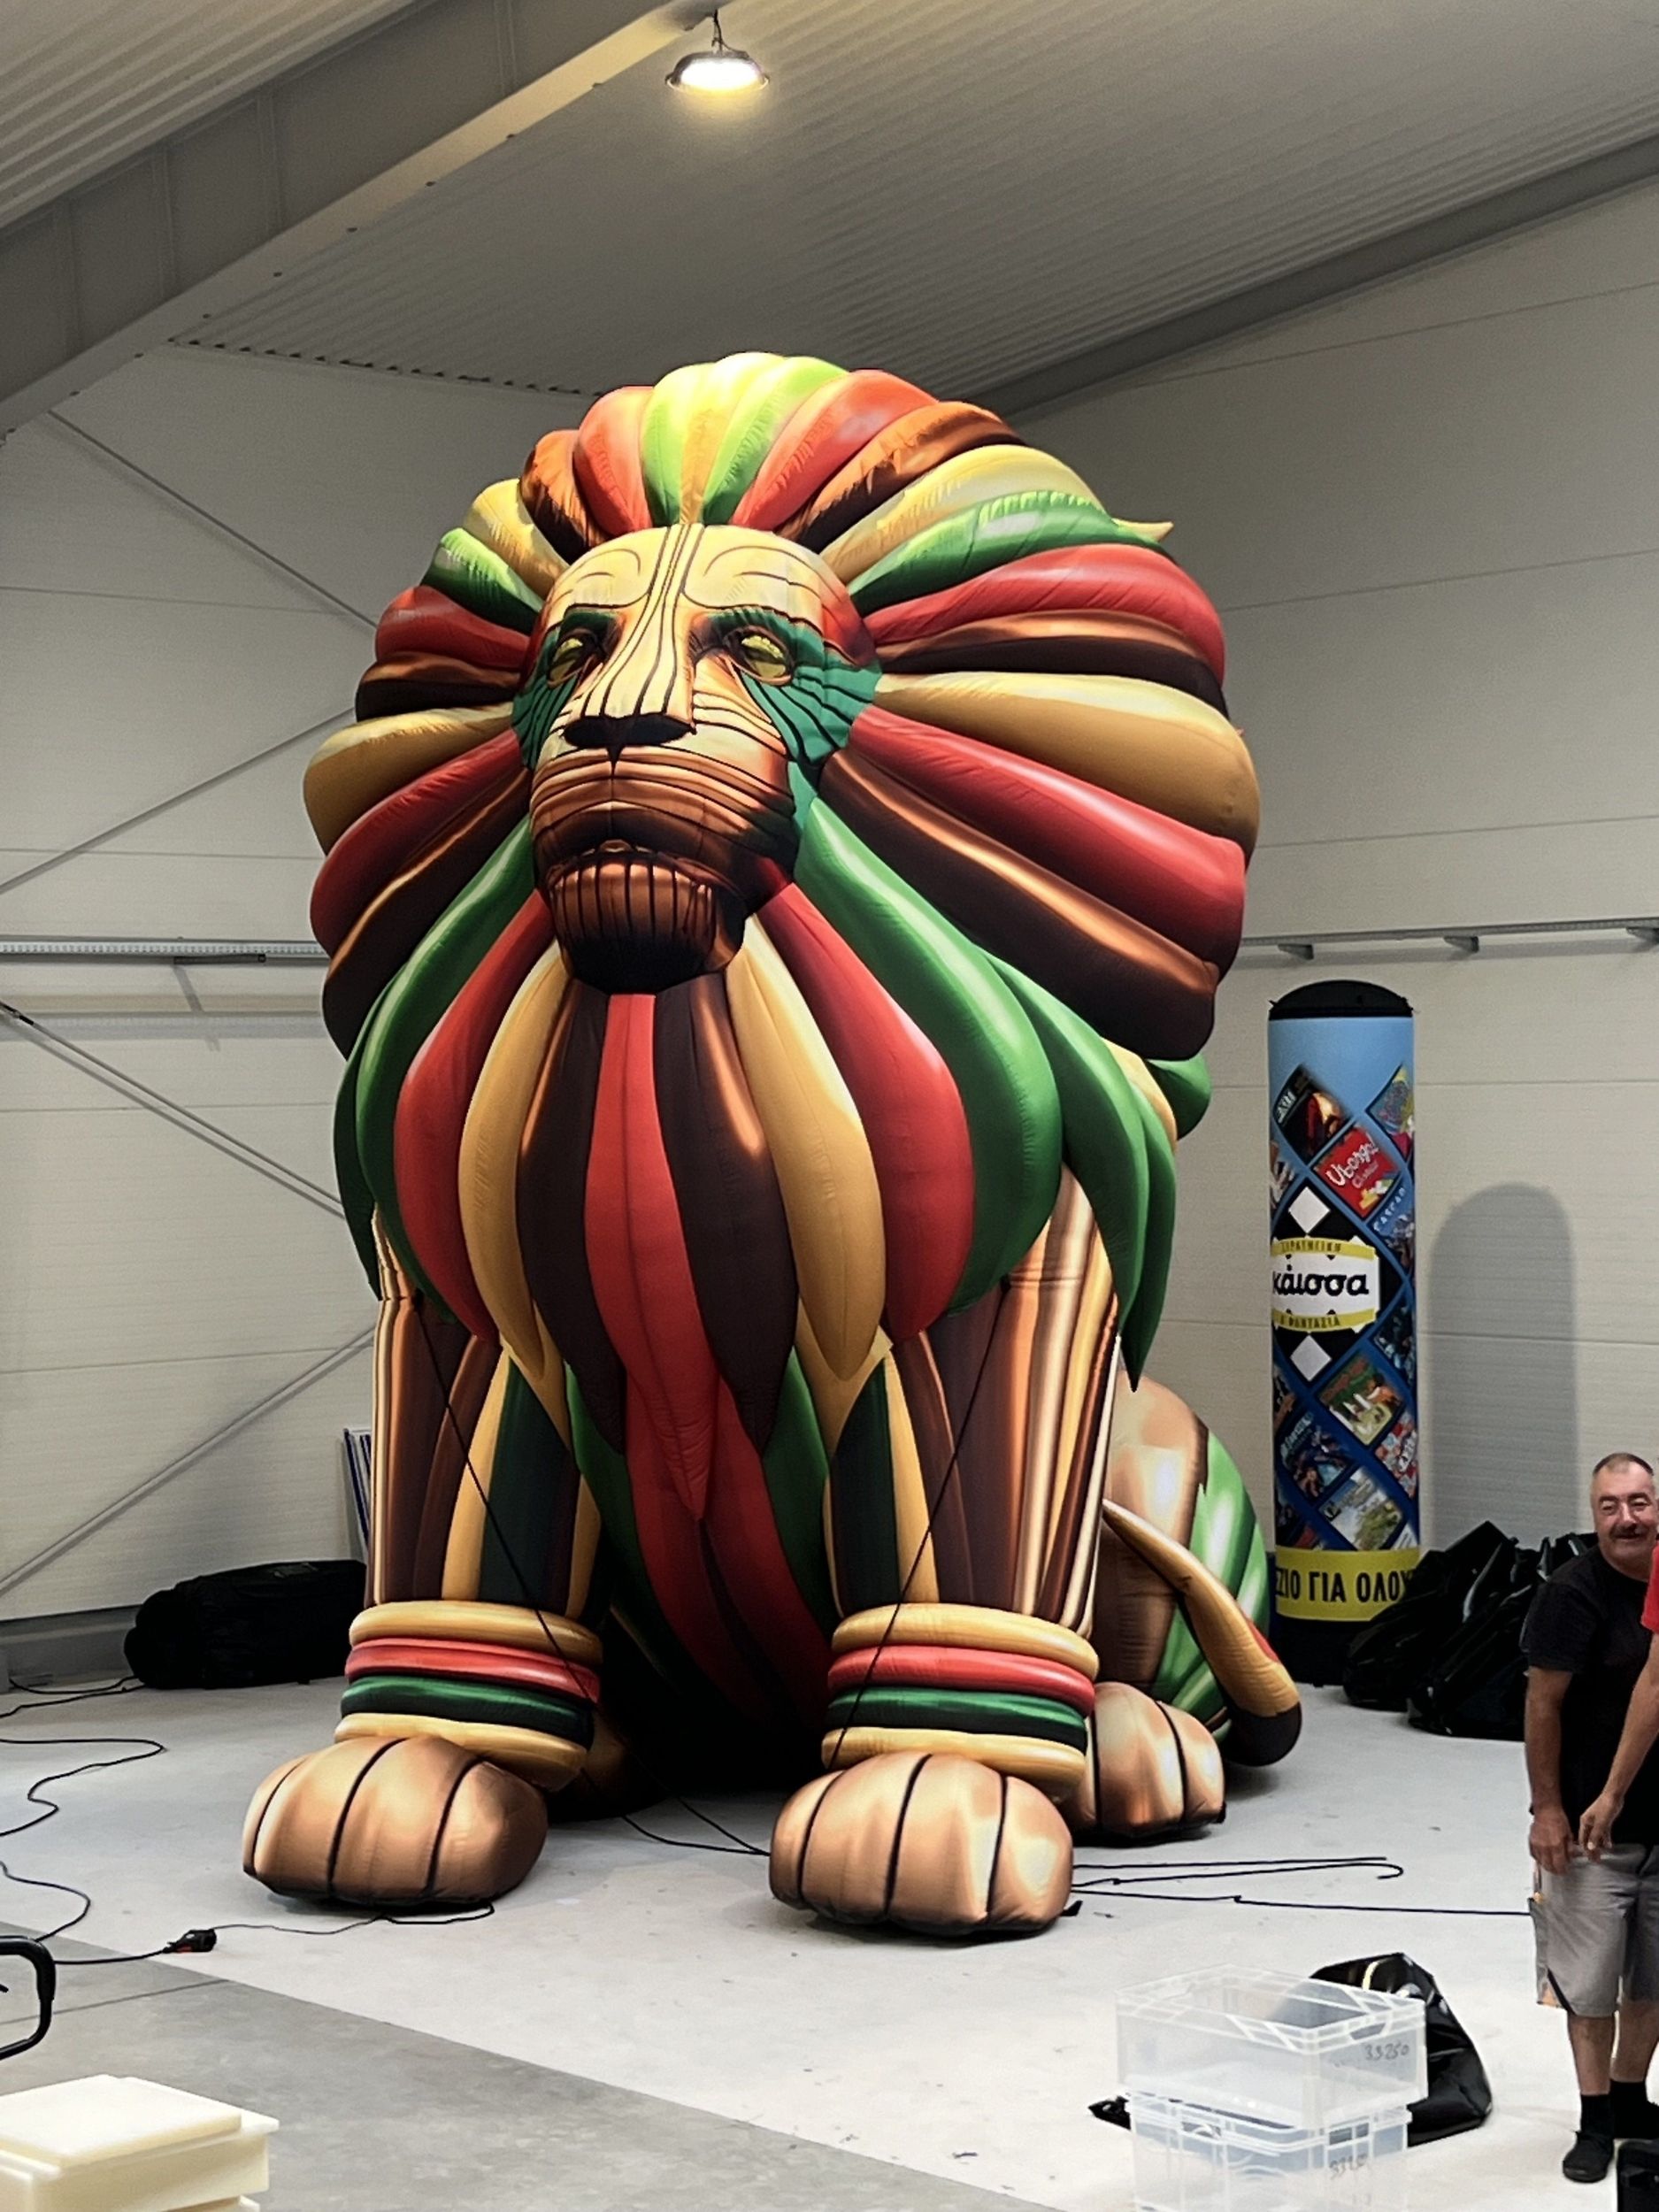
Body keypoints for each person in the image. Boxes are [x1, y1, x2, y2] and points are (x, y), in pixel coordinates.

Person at [1523, 1452, 1659, 2182]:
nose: (1626, 1518)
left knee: (1653, 1981)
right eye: (1610, 1506)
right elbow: (1542, 1705)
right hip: (1590, 1831)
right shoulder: (1571, 1595)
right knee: (1589, 1984)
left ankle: (1631, 2097)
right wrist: (1547, 1808)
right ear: (1593, 1513)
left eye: (1638, 1502)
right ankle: (1594, 2115)